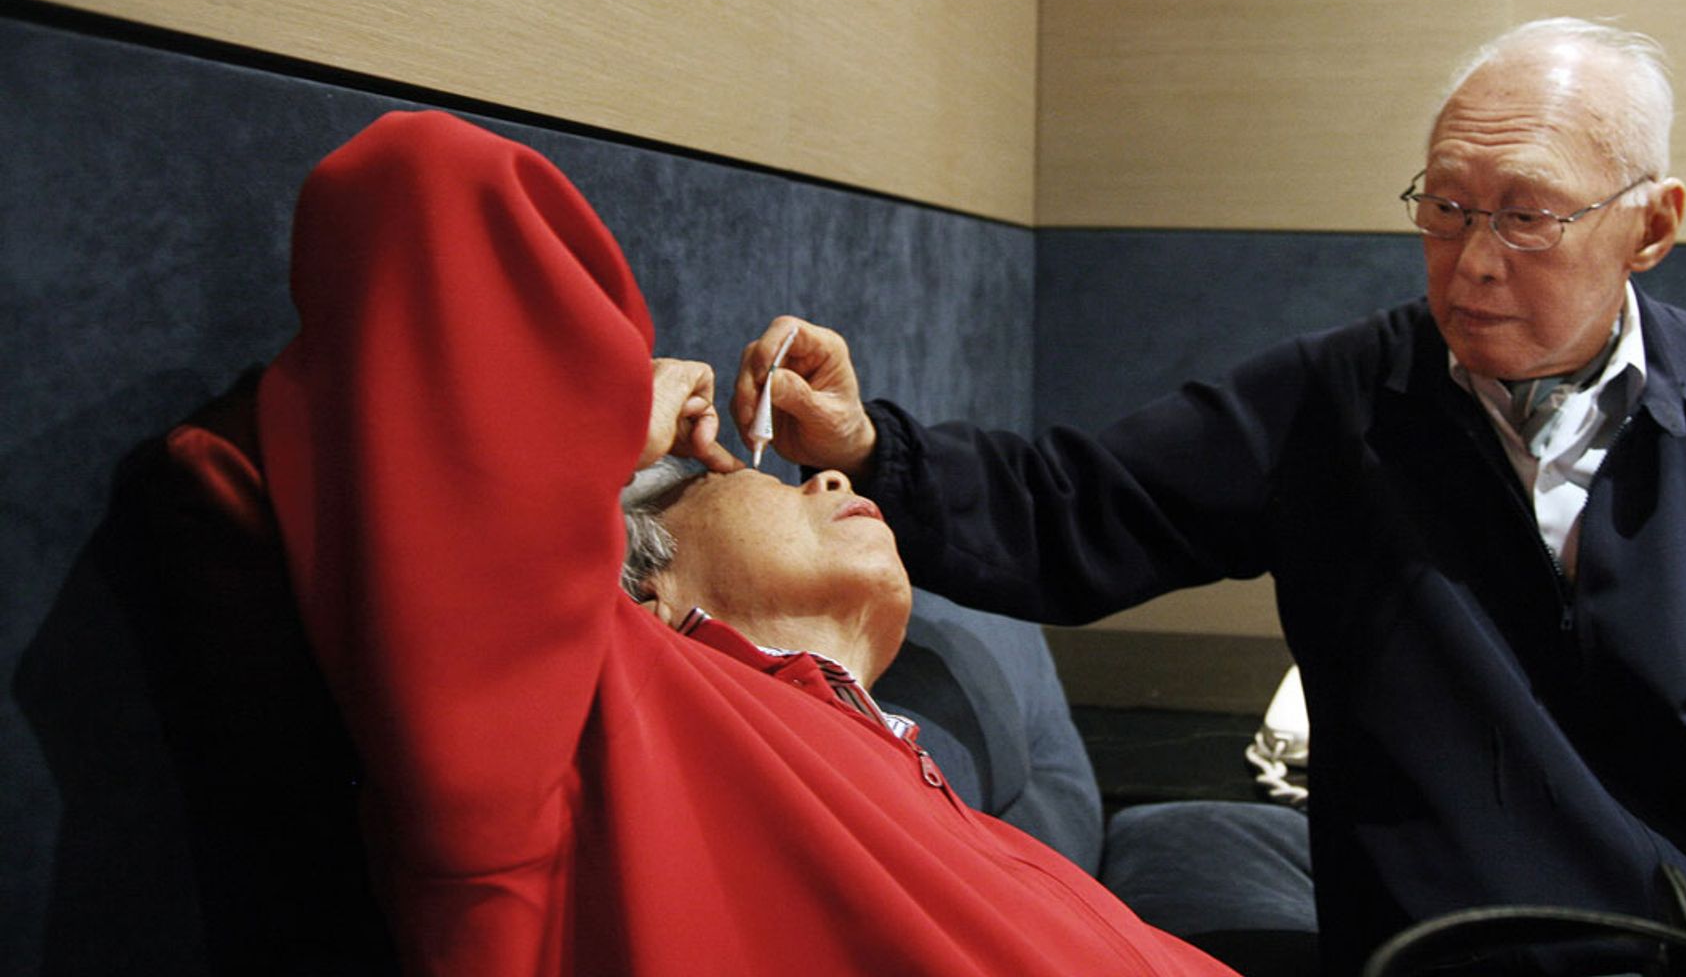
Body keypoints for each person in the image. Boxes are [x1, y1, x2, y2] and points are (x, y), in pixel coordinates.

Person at [733, 19, 1686, 975]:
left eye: (1527, 214)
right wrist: (869, 441)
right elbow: (1071, 508)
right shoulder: (1335, 401)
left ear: (1650, 226)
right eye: (1445, 206)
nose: (1472, 261)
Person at [257, 109, 1237, 975]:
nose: (830, 475)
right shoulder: (575, 727)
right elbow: (422, 178)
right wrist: (598, 429)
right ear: (640, 579)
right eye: (765, 474)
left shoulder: (907, 767)